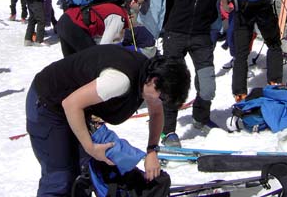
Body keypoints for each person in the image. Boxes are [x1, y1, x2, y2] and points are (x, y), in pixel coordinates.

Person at [26, 44, 190, 197]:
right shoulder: (120, 81)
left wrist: (152, 151)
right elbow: (71, 104)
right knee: (60, 176)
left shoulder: (148, 77)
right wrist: (90, 147)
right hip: (48, 103)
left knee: (85, 172)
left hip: (77, 108)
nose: (159, 103)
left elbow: (156, 114)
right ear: (154, 82)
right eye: (162, 98)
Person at [160, 0, 246, 146]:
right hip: (175, 33)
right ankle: (168, 132)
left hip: (201, 35)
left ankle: (200, 117)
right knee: (173, 83)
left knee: (207, 86)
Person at [230, 0, 285, 102]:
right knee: (274, 43)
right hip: (263, 6)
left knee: (241, 53)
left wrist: (226, 3)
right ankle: (274, 81)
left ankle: (240, 92)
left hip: (243, 9)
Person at [56, 0, 130, 57]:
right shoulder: (119, 18)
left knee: (71, 64)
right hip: (74, 24)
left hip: (64, 19)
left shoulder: (114, 8)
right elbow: (104, 46)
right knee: (94, 58)